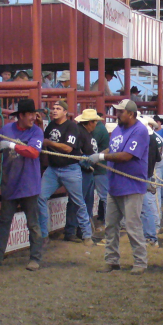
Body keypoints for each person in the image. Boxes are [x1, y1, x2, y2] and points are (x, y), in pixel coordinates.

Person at [86, 100, 150, 275]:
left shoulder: (140, 131)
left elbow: (126, 156)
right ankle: (112, 260)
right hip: (115, 184)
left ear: (130, 113)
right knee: (111, 225)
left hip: (132, 185)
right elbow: (113, 148)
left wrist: (100, 157)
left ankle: (140, 261)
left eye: (120, 111)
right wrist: (101, 153)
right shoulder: (118, 129)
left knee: (132, 225)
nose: (117, 114)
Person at [0, 98, 45, 270]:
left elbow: (33, 153)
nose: (33, 117)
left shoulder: (36, 132)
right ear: (21, 115)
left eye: (33, 114)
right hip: (12, 182)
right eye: (30, 114)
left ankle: (35, 258)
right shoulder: (7, 129)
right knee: (5, 221)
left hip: (29, 184)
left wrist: (12, 145)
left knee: (32, 223)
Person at [40, 100, 95, 245]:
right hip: (53, 168)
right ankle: (43, 234)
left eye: (58, 108)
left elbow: (68, 148)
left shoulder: (71, 127)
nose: (54, 110)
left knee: (78, 201)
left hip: (70, 168)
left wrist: (49, 143)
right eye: (53, 108)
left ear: (65, 112)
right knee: (40, 197)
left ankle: (86, 234)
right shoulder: (51, 125)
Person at [64, 108, 101, 243]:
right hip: (81, 171)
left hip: (88, 171)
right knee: (77, 201)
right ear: (89, 122)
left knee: (87, 202)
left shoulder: (87, 133)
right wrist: (82, 160)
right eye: (94, 121)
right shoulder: (79, 132)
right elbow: (75, 151)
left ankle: (82, 230)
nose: (96, 124)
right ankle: (71, 230)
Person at [141, 116, 163, 246]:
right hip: (149, 172)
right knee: (148, 203)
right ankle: (152, 229)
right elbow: (158, 158)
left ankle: (151, 232)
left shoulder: (149, 139)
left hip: (142, 175)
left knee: (146, 204)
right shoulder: (156, 138)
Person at [91, 113, 111, 231]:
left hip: (99, 167)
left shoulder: (97, 130)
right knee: (105, 196)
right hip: (101, 166)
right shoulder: (100, 128)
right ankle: (106, 221)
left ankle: (108, 223)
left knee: (104, 196)